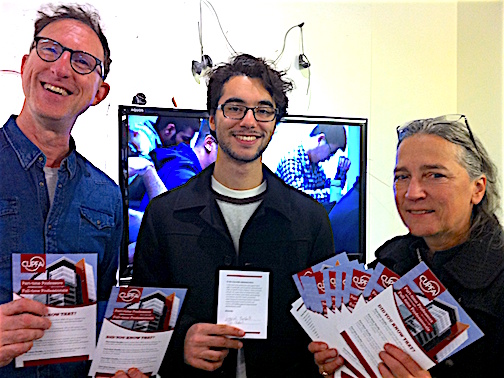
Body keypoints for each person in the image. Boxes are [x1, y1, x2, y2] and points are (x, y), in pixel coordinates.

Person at [132, 53, 335, 377]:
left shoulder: (310, 220)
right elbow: (141, 319)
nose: (249, 121)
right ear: (212, 118)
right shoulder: (164, 215)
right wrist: (180, 341)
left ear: (275, 123)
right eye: (235, 108)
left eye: (263, 110)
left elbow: (326, 323)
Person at [309, 114, 504, 377]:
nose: (412, 193)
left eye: (434, 175)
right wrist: (337, 364)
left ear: (477, 189)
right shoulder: (389, 261)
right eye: (402, 176)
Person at [0, 4, 122, 377]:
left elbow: (101, 308)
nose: (62, 68)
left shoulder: (107, 196)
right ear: (26, 65)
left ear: (98, 93)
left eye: (83, 61)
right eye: (50, 49)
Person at [276, 124, 350, 203]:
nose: (328, 158)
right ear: (320, 139)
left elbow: (328, 187)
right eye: (331, 152)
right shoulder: (291, 162)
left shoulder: (316, 167)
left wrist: (341, 172)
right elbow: (297, 198)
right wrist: (331, 194)